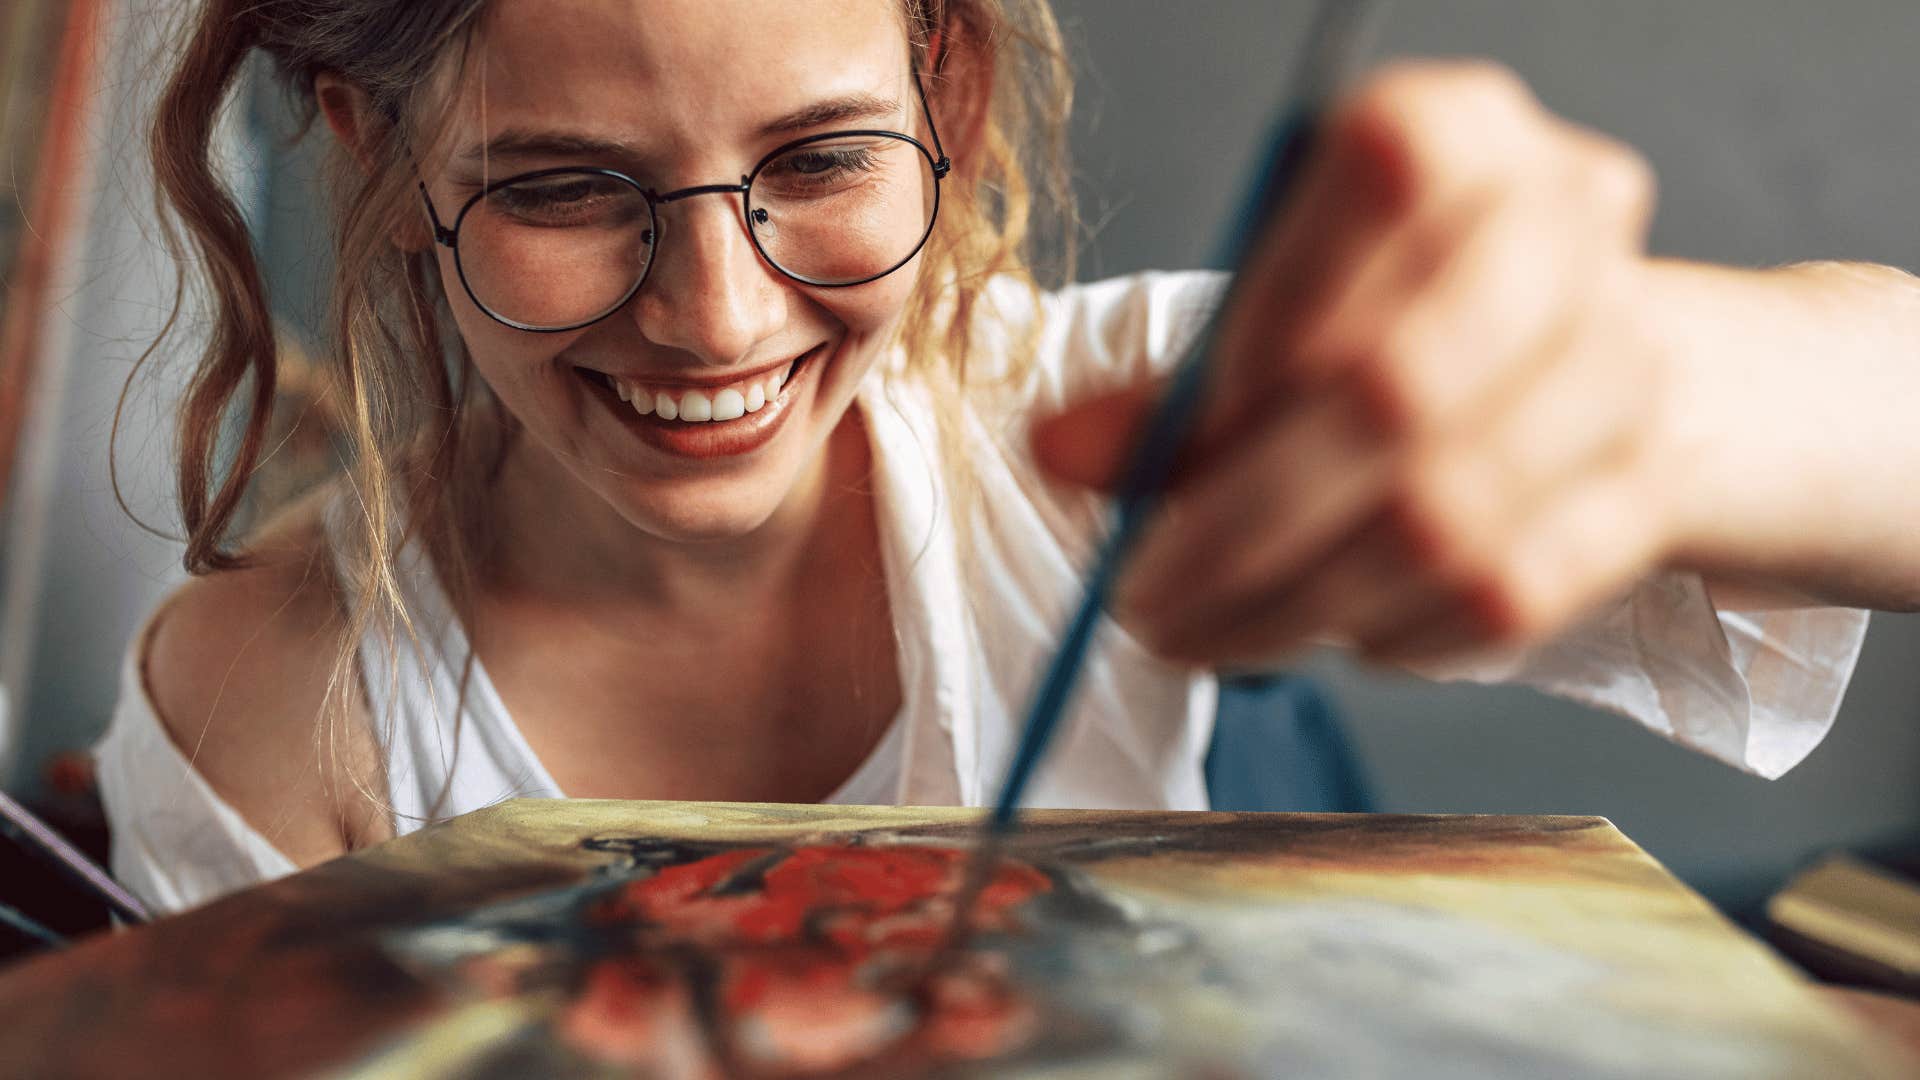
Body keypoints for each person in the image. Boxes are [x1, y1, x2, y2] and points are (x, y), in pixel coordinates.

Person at [94, 0, 1920, 913]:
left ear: (944, 99)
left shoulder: (1100, 427)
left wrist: (1646, 391)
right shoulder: (261, 715)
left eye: (817, 163)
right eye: (564, 190)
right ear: (373, 149)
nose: (719, 321)